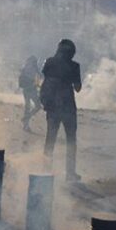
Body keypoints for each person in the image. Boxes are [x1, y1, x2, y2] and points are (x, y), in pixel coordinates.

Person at [40, 39, 81, 181]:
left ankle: (46, 170)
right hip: (68, 107)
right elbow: (78, 88)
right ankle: (70, 173)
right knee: (71, 141)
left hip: (52, 107)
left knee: (50, 139)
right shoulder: (74, 66)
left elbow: (44, 78)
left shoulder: (49, 62)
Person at [19, 55, 42, 132]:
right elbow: (39, 77)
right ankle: (26, 119)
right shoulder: (33, 68)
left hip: (26, 90)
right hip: (31, 89)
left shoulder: (25, 68)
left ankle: (26, 124)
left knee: (27, 106)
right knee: (37, 106)